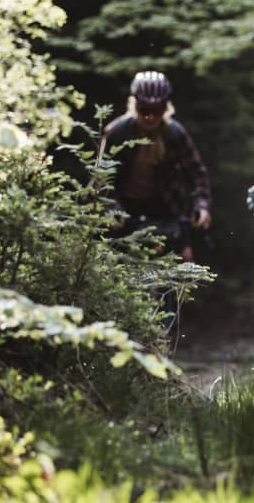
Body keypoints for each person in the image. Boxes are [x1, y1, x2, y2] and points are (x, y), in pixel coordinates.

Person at [99, 71, 212, 329]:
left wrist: (202, 206)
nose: (150, 116)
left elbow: (197, 173)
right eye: (144, 110)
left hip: (165, 206)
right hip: (125, 207)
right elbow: (101, 179)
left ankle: (170, 325)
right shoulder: (116, 132)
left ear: (166, 109)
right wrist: (111, 208)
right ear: (134, 106)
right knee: (112, 265)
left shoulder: (175, 134)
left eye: (157, 110)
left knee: (182, 260)